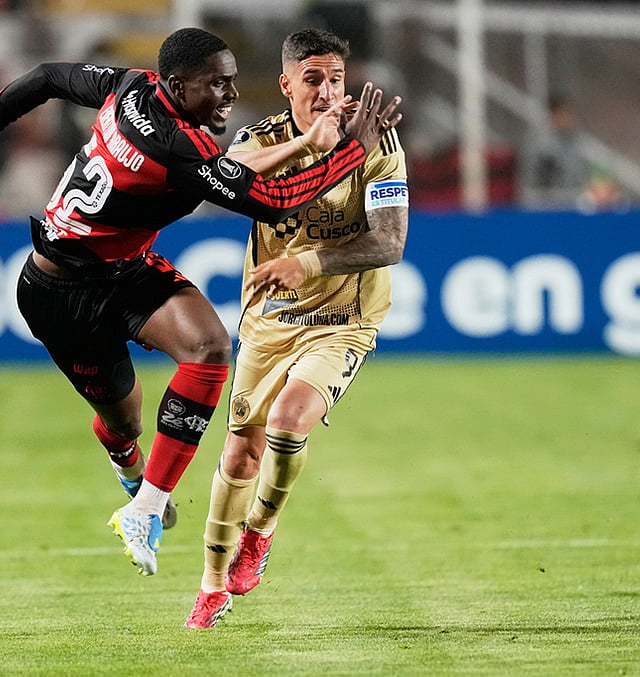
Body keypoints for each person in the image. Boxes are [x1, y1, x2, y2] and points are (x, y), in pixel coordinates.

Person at [0, 27, 401, 578]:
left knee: (211, 349)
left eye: (232, 81)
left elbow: (49, 76)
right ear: (180, 85)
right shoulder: (176, 145)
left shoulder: (132, 87)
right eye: (218, 85)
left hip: (125, 268)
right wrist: (351, 148)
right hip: (61, 294)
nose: (231, 95)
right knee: (123, 421)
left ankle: (142, 508)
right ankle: (129, 469)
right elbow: (273, 201)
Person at [184, 28, 409, 629]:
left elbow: (389, 241)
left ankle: (259, 530)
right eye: (313, 79)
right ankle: (210, 586)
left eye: (336, 78)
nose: (328, 90)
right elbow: (222, 175)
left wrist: (304, 261)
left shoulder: (378, 143)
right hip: (268, 322)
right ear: (286, 85)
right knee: (238, 453)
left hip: (342, 320)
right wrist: (314, 143)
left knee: (288, 421)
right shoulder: (262, 139)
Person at [520, 93, 590, 209]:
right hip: (545, 204)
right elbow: (533, 178)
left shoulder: (575, 141)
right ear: (554, 115)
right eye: (564, 114)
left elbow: (581, 173)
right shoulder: (539, 143)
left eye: (569, 114)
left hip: (572, 202)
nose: (568, 118)